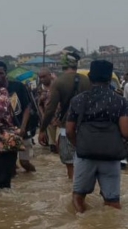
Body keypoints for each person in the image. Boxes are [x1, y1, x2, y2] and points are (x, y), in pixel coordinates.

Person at [65, 60, 128, 214]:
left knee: (78, 197)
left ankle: (83, 225)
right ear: (109, 79)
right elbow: (126, 131)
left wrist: (79, 145)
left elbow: (69, 131)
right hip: (111, 156)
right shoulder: (120, 101)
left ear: (90, 78)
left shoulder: (78, 100)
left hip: (85, 154)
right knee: (112, 202)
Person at [38, 51, 92, 179]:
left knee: (70, 163)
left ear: (62, 66)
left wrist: (42, 129)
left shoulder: (58, 82)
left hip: (66, 128)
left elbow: (50, 109)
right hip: (86, 128)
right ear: (76, 65)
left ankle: (74, 191)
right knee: (86, 162)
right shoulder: (87, 80)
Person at [0, 61, 38, 173]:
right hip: (4, 131)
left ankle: (35, 178)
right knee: (9, 164)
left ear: (6, 73)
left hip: (21, 128)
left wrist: (23, 127)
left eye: (1, 73)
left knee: (24, 163)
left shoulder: (18, 86)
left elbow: (27, 107)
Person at [37, 68, 59, 153]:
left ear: (50, 75)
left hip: (60, 116)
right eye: (40, 77)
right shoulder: (40, 89)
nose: (42, 79)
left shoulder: (57, 85)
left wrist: (56, 79)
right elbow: (39, 104)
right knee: (52, 141)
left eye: (44, 76)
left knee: (61, 138)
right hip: (48, 117)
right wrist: (43, 116)